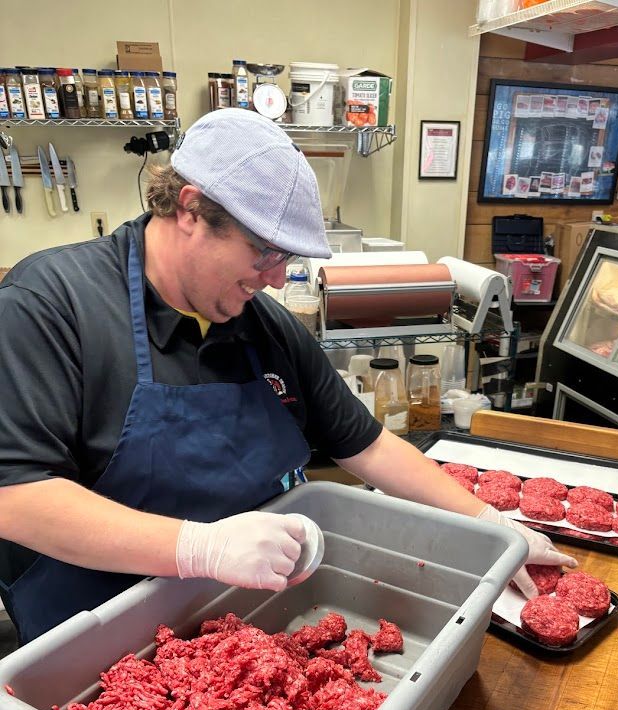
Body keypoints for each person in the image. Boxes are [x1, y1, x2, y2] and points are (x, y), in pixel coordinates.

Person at [0, 110, 575, 645]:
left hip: (244, 623)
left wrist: (491, 525)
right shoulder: (49, 305)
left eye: (287, 259)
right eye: (264, 253)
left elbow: (367, 445)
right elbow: (15, 495)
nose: (276, 280)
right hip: (97, 643)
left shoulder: (265, 328)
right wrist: (198, 547)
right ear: (191, 210)